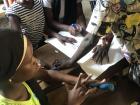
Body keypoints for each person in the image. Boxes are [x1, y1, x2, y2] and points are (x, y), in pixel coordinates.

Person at [0, 29, 102, 105]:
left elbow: (47, 73)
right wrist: (72, 103)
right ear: (10, 75)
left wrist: (76, 80)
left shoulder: (20, 77)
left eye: (33, 56)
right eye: (29, 61)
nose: (37, 61)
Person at [53, 0, 140, 82]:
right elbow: (114, 18)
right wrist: (107, 38)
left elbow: (91, 39)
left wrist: (70, 62)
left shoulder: (106, 2)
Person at [6, 0, 77, 50]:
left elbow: (43, 27)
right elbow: (18, 40)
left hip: (40, 41)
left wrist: (58, 36)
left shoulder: (38, 3)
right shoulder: (13, 12)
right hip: (27, 49)